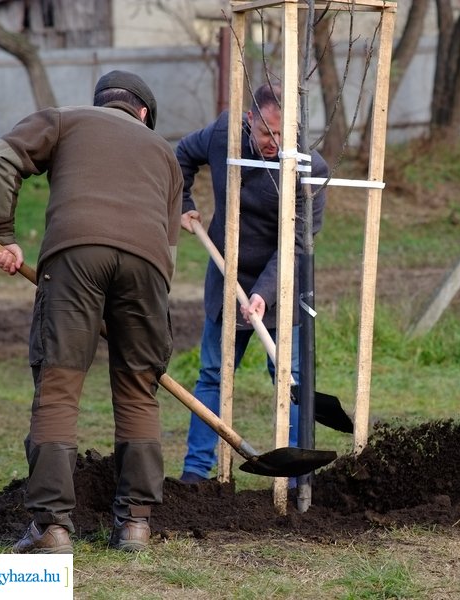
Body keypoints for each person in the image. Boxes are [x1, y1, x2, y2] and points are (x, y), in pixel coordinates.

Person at [0, 70, 183, 552]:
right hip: (148, 268)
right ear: (143, 114)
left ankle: (51, 526)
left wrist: (2, 234)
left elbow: (1, 157)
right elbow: (169, 249)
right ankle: (135, 524)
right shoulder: (166, 154)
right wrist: (136, 316)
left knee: (59, 386)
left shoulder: (68, 120)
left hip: (75, 256)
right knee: (139, 389)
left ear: (103, 104)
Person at [175, 83, 329, 483]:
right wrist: (184, 205)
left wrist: (263, 293)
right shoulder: (224, 133)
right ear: (249, 121)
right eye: (266, 134)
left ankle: (299, 481)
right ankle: (195, 473)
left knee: (288, 378)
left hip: (280, 282)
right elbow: (180, 158)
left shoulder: (311, 169)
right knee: (213, 374)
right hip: (225, 273)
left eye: (283, 134)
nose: (274, 143)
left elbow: (296, 244)